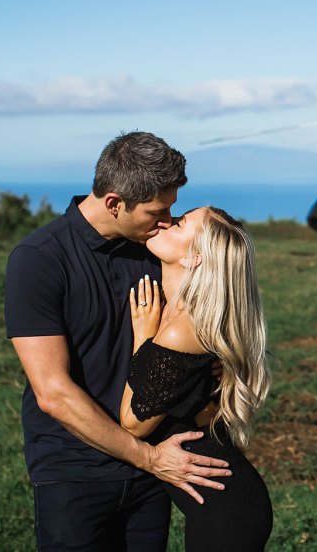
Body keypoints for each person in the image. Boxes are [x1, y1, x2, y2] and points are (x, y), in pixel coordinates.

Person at [5, 132, 232, 551]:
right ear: (114, 203)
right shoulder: (39, 259)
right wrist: (149, 458)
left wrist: (210, 367)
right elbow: (53, 393)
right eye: (156, 211)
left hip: (153, 470)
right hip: (73, 474)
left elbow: (193, 326)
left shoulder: (154, 249)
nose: (166, 220)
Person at [121, 206, 273, 551]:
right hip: (226, 500)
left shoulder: (181, 331)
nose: (165, 222)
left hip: (227, 510)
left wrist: (142, 338)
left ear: (194, 258)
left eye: (179, 224)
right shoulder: (185, 315)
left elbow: (133, 424)